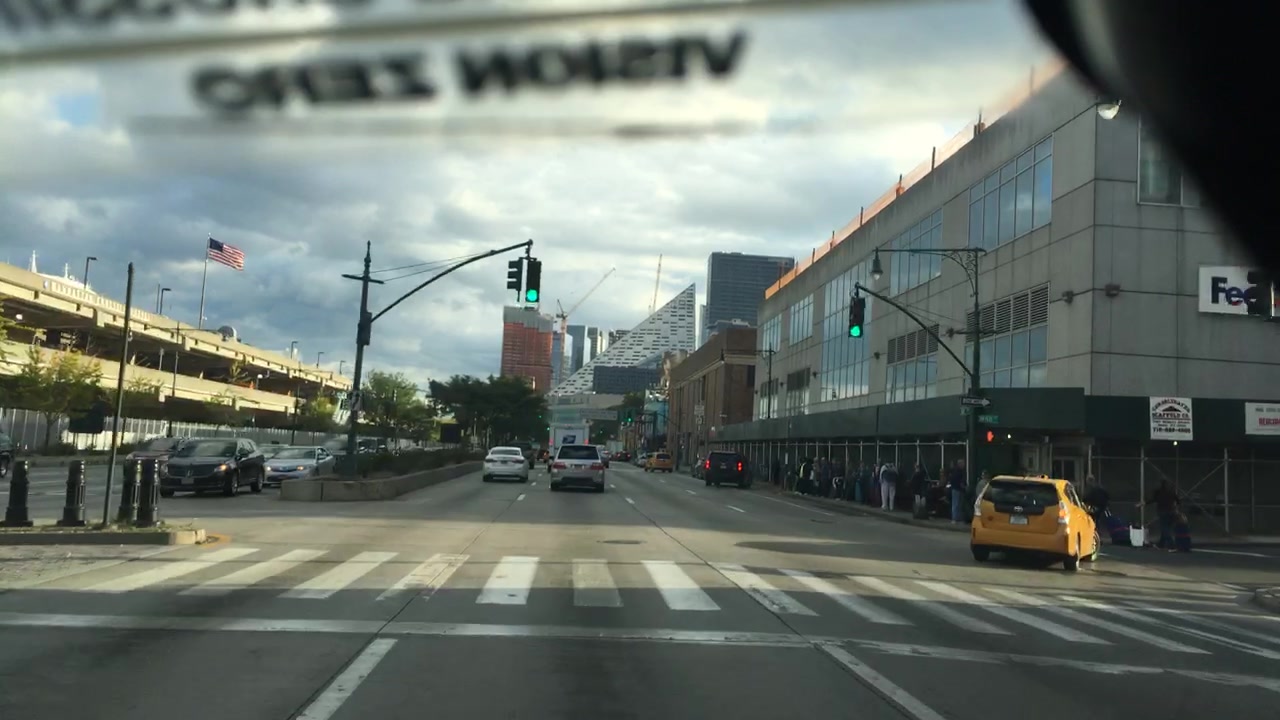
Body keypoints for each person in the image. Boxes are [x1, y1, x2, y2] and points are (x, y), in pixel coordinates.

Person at [1147, 480, 1181, 550]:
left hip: (1162, 511)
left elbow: (1153, 500)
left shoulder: (1158, 492)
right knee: (1166, 528)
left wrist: (1143, 503)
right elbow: (1178, 501)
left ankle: (1171, 545)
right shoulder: (1171, 492)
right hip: (1171, 511)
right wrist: (1176, 508)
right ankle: (1161, 544)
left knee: (1165, 528)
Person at [947, 459, 967, 524]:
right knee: (955, 504)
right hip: (956, 489)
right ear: (959, 464)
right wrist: (961, 485)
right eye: (963, 464)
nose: (964, 465)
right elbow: (954, 480)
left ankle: (958, 518)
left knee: (959, 504)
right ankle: (954, 518)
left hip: (959, 489)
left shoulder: (961, 471)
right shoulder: (956, 471)